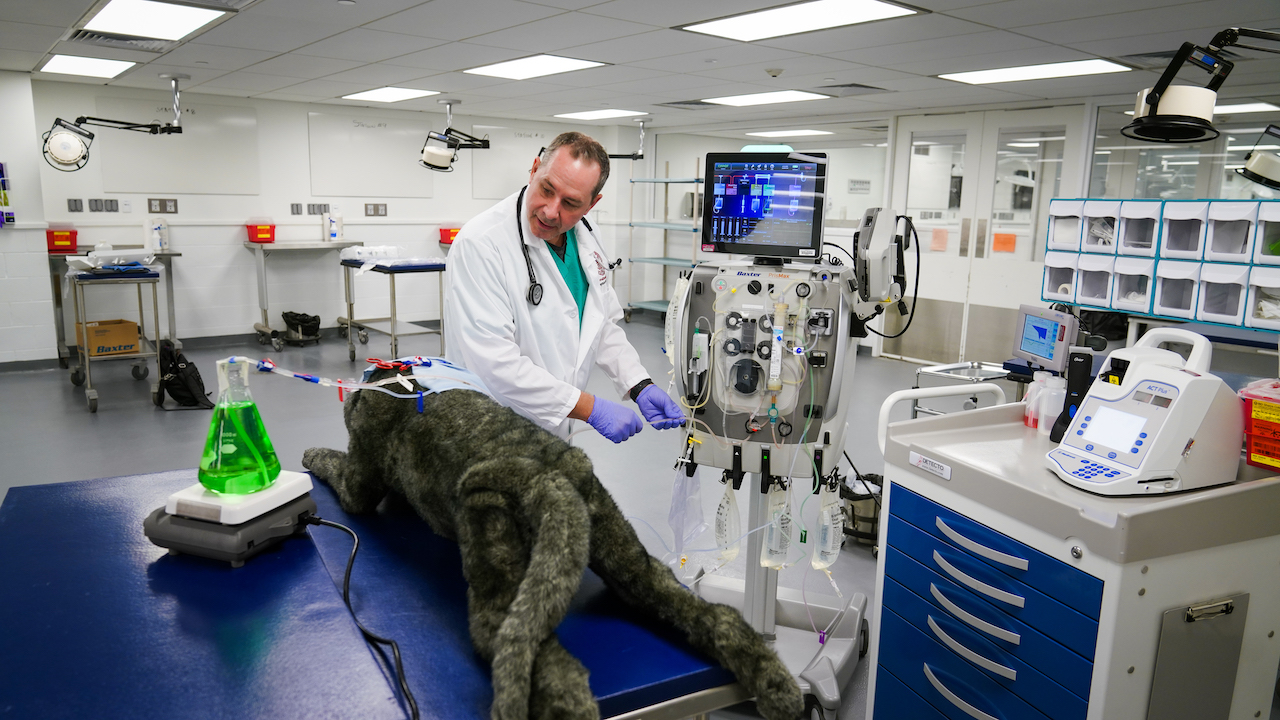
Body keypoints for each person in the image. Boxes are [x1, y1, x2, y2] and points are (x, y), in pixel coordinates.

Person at [444, 132, 685, 442]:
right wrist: (588, 407)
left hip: (553, 429)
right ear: (534, 170)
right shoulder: (481, 243)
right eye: (546, 189)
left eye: (571, 203)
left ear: (591, 204)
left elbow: (600, 322)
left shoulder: (586, 233)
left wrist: (638, 383)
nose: (550, 211)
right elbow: (493, 362)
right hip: (490, 428)